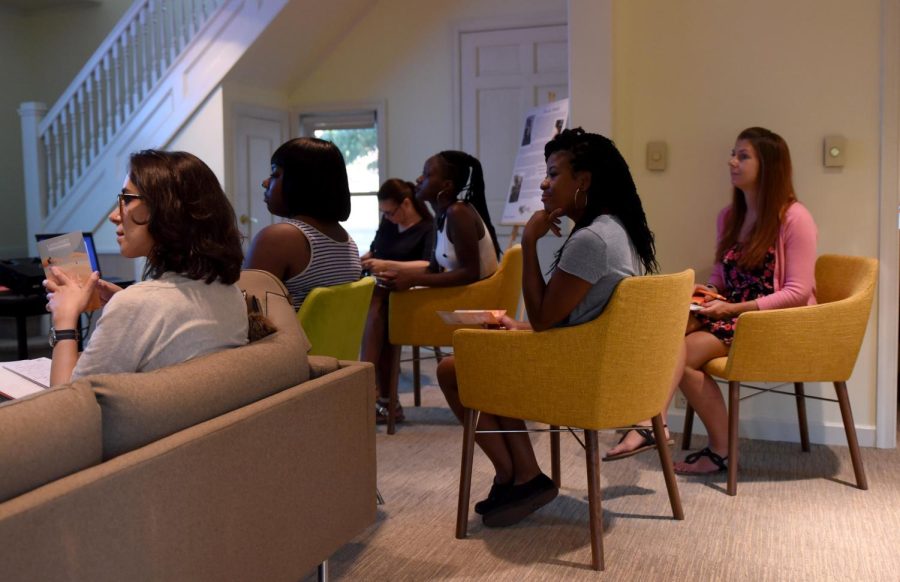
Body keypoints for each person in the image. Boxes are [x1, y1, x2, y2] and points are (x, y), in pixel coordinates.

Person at [436, 128, 658, 527]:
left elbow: (543, 318)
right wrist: (518, 328)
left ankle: (517, 476)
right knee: (484, 358)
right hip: (598, 368)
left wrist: (530, 242)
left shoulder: (591, 240)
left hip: (580, 378)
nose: (543, 182)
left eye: (553, 174)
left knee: (455, 368)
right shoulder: (614, 229)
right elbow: (568, 320)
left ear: (583, 181)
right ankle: (521, 476)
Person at [605, 127, 818, 474]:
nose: (731, 161)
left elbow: (797, 293)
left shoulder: (795, 218)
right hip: (730, 318)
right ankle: (694, 440)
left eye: (743, 155)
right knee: (674, 337)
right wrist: (706, 292)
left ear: (770, 165)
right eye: (734, 153)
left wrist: (732, 308)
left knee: (680, 347)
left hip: (769, 323)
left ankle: (650, 422)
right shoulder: (730, 217)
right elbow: (722, 272)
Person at [45, 150, 249, 386]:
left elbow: (66, 407)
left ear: (167, 209)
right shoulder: (230, 293)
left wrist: (65, 320)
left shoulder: (135, 305)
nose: (113, 216)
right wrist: (127, 306)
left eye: (127, 199)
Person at [374, 150, 502, 422]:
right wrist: (397, 274)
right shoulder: (443, 215)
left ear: (446, 185)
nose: (419, 179)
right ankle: (381, 395)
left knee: (383, 306)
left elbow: (470, 272)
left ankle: (380, 396)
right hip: (462, 297)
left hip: (473, 305)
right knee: (383, 294)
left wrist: (413, 280)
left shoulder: (458, 213)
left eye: (428, 174)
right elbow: (434, 268)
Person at [244, 137, 361, 309]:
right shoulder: (346, 241)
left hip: (287, 337)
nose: (265, 183)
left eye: (275, 174)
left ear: (301, 182)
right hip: (322, 337)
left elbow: (245, 313)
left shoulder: (278, 238)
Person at [360, 179, 434, 423]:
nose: (388, 218)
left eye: (391, 212)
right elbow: (375, 251)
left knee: (378, 304)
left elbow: (428, 266)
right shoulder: (388, 224)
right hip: (384, 289)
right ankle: (380, 395)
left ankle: (368, 384)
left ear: (406, 203)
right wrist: (362, 259)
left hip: (411, 293)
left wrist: (387, 265)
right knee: (374, 301)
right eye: (384, 213)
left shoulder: (427, 227)